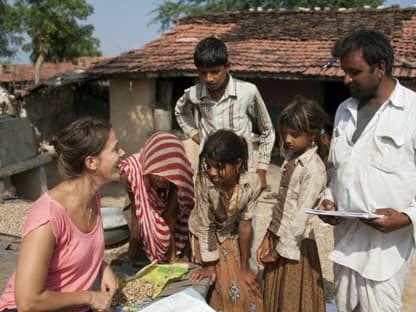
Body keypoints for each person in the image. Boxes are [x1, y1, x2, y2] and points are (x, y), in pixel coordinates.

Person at [320, 29, 416, 312]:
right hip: (346, 245)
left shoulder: (411, 111)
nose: (346, 79)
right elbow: (336, 169)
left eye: (354, 72)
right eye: (345, 71)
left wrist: (407, 217)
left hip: (385, 251)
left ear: (380, 68)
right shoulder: (343, 111)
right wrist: (329, 199)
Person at [0, 117, 124, 312]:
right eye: (116, 149)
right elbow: (28, 302)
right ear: (91, 162)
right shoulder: (48, 215)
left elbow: (73, 250)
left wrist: (102, 266)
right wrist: (90, 297)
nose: (122, 153)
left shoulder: (93, 197)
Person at [256, 97, 330, 312]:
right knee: (274, 299)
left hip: (295, 246)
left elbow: (300, 217)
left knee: (292, 301)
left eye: (294, 135)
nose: (287, 139)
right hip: (278, 237)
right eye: (284, 133)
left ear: (313, 134)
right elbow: (281, 206)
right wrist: (267, 238)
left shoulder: (313, 169)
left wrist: (278, 252)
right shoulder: (291, 159)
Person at [174, 36, 275, 190]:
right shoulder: (195, 93)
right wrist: (195, 134)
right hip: (208, 173)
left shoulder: (248, 92)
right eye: (203, 73)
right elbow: (180, 111)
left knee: (241, 213)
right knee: (207, 212)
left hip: (241, 174)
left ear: (227, 66)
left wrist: (262, 169)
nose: (209, 79)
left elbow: (267, 130)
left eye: (215, 72)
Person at [188, 129, 263, 312]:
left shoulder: (251, 183)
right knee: (226, 293)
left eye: (218, 167)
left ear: (238, 164)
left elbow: (245, 226)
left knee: (250, 290)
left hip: (227, 235)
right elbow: (207, 226)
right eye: (209, 166)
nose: (212, 172)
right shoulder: (205, 181)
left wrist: (244, 267)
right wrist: (210, 265)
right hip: (204, 237)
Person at [120, 131, 194, 263]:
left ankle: (169, 252)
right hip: (139, 203)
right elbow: (136, 213)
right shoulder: (130, 174)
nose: (160, 179)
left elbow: (170, 218)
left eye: (165, 175)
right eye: (155, 174)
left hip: (168, 202)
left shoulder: (176, 174)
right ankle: (135, 250)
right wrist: (132, 250)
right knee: (139, 226)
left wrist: (172, 259)